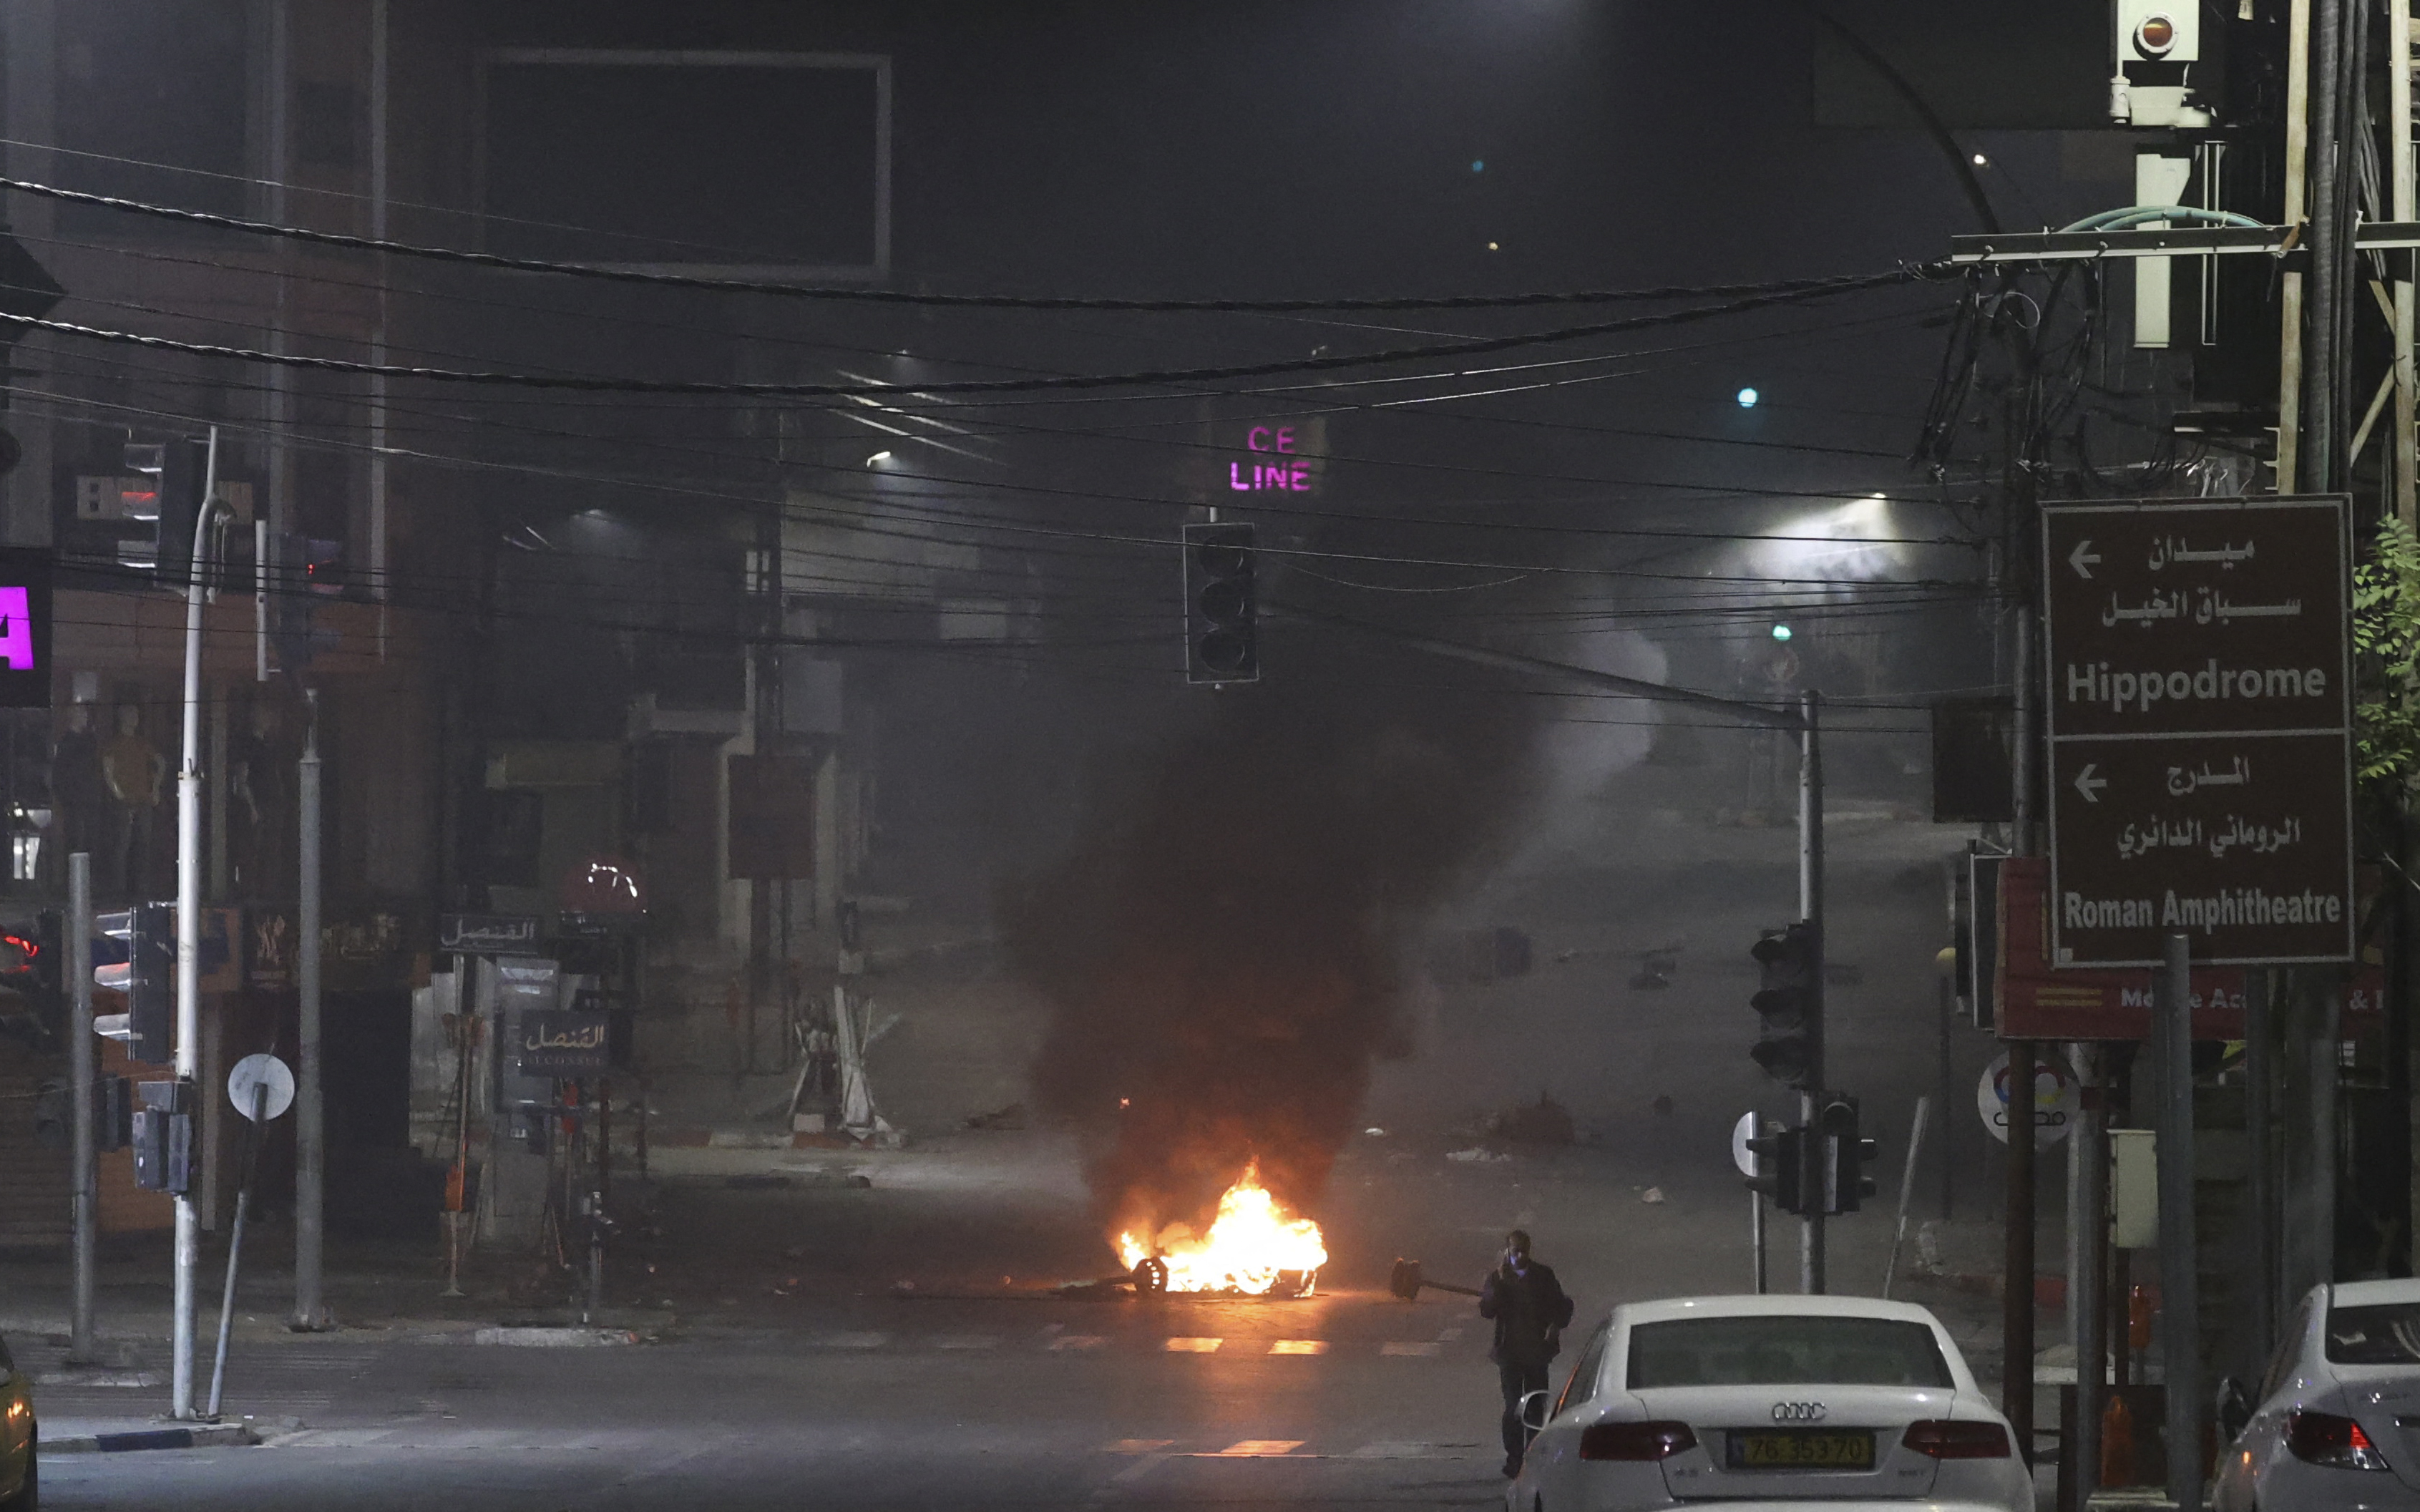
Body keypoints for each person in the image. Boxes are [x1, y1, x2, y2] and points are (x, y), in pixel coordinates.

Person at [1478, 1229, 1574, 1478]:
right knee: (1513, 1408)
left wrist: (1554, 1326)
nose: (1519, 1256)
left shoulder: (1543, 1276)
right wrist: (1498, 1286)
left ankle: (1533, 1456)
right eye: (1514, 1251)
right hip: (1509, 1354)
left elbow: (1562, 1306)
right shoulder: (1497, 1278)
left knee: (1534, 1408)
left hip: (1537, 1354)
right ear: (1507, 1251)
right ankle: (1514, 1459)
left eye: (1523, 1251)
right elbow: (1487, 1310)